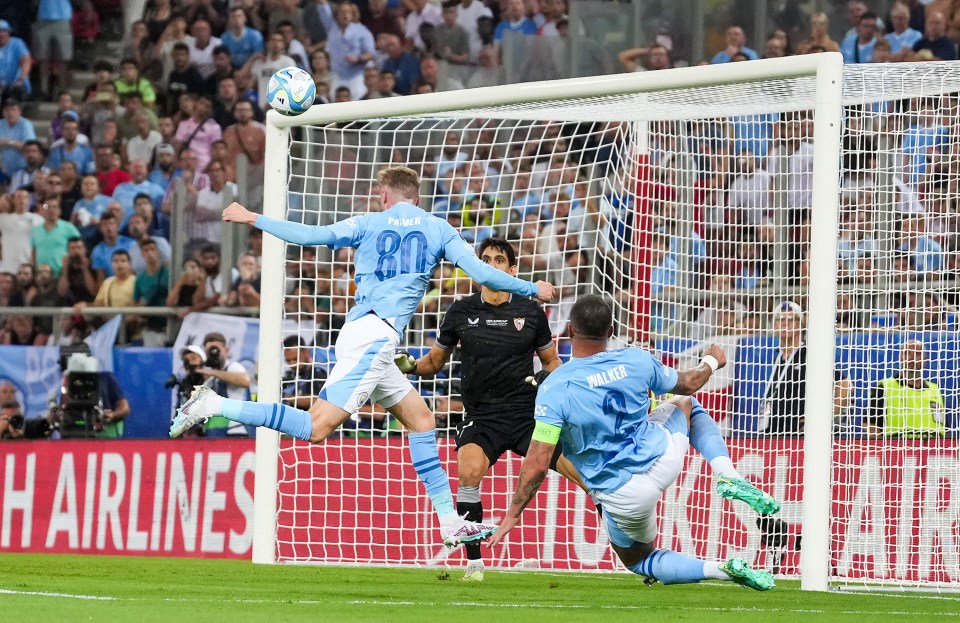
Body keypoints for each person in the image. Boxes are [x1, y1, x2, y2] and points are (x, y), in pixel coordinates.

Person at [171, 165, 556, 547]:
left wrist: (254, 217)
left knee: (422, 421)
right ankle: (214, 402)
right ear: (418, 198)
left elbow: (310, 236)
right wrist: (531, 287)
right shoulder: (440, 228)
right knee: (316, 428)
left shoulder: (368, 222)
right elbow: (484, 275)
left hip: (366, 333)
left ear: (384, 196)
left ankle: (449, 521)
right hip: (375, 338)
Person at [487, 295, 775, 590]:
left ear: (570, 330)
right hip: (662, 458)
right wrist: (712, 360)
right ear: (611, 332)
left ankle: (723, 570)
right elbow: (689, 382)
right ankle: (727, 474)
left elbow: (537, 463)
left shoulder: (556, 386)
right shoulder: (636, 359)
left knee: (641, 560)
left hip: (623, 496)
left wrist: (512, 515)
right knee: (686, 402)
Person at [394, 237, 583, 581]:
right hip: (482, 418)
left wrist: (543, 377)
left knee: (582, 473)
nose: (491, 264)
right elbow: (435, 362)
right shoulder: (460, 312)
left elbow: (553, 361)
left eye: (499, 260)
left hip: (528, 417)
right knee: (468, 472)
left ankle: (628, 546)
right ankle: (474, 562)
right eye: (486, 259)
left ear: (512, 271)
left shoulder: (530, 312)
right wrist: (409, 366)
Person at [758, 301, 852, 435]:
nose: (785, 323)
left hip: (799, 438)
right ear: (774, 325)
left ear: (800, 324)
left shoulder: (809, 354)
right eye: (780, 319)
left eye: (791, 319)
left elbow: (845, 385)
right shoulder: (778, 357)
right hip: (774, 433)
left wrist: (822, 420)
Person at [865, 339, 945, 437]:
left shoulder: (935, 391)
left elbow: (944, 428)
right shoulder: (884, 388)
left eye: (918, 354)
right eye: (908, 353)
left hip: (933, 450)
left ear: (925, 360)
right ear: (900, 358)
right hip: (897, 450)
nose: (912, 359)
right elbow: (870, 425)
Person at [196, 331, 252, 437]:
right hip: (218, 431)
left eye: (216, 350)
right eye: (210, 350)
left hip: (236, 429)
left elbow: (245, 381)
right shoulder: (210, 378)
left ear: (226, 350)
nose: (213, 353)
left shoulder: (233, 366)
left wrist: (212, 372)